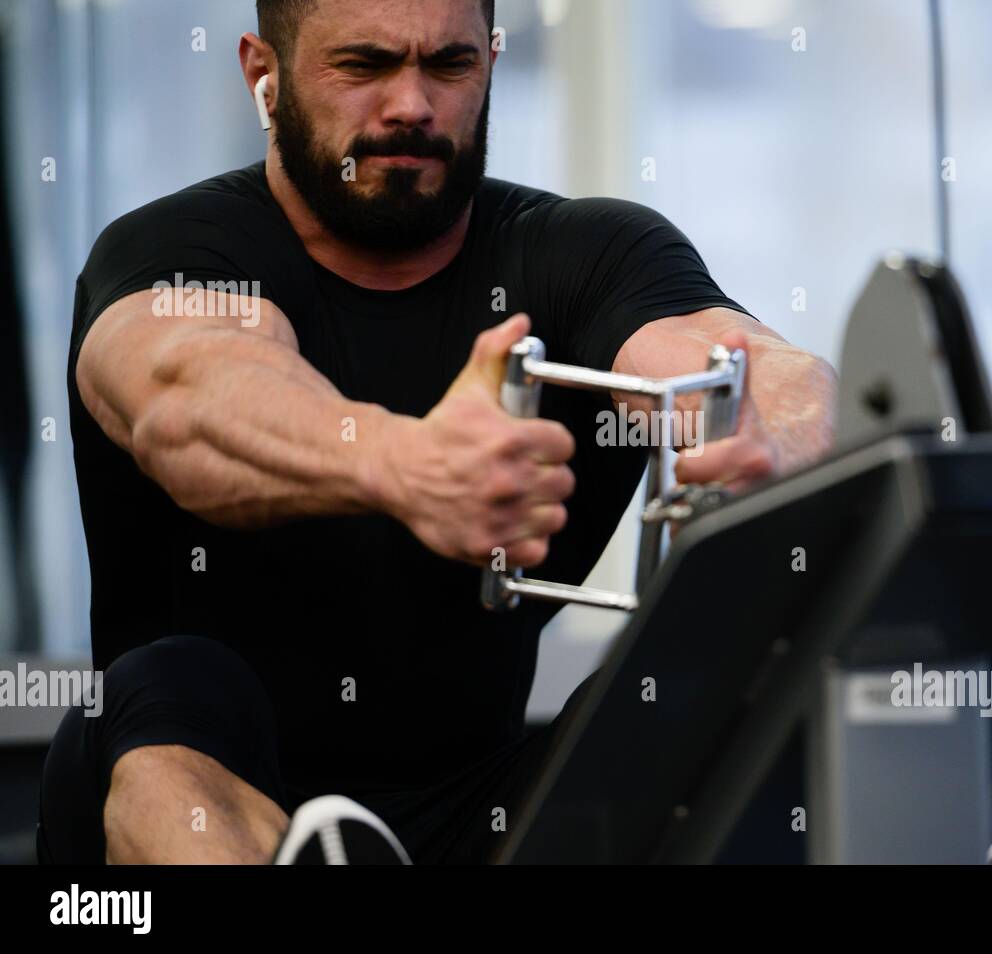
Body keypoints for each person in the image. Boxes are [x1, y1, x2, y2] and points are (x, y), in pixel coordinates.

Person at [40, 0, 837, 864]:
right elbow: (187, 391)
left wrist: (776, 448)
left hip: (484, 814)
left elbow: (754, 367)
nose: (411, 105)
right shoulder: (179, 248)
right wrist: (410, 464)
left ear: (490, 63)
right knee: (169, 694)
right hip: (193, 796)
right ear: (262, 74)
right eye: (364, 66)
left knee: (678, 694)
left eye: (449, 66)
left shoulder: (584, 251)